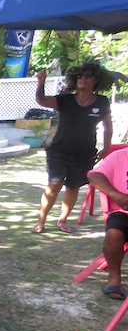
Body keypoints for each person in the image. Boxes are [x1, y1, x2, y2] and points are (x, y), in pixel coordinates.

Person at [31, 62, 113, 234]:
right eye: (79, 76)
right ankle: (41, 221)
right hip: (59, 151)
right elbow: (41, 100)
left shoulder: (101, 102)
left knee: (73, 187)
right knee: (54, 184)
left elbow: (107, 126)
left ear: (96, 79)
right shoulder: (65, 100)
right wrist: (41, 82)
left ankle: (62, 221)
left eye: (87, 75)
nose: (82, 79)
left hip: (84, 153)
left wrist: (106, 147)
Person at [86, 147, 128, 300]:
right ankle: (114, 277)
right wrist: (117, 196)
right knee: (114, 232)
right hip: (124, 212)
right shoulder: (120, 156)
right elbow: (95, 175)